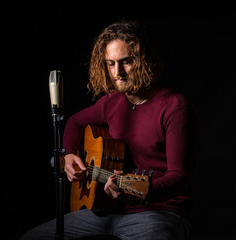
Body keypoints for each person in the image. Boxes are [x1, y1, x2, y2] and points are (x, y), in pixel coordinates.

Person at [21, 20, 195, 240]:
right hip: (105, 210)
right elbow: (75, 122)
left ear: (144, 60)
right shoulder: (111, 103)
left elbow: (179, 177)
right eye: (110, 63)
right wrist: (68, 155)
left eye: (126, 62)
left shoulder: (174, 107)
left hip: (158, 212)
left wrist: (135, 191)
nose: (118, 72)